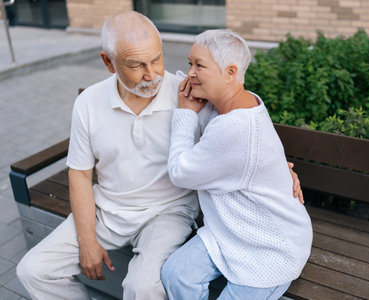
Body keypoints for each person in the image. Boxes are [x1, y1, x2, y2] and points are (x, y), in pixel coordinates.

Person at [16, 11, 302, 300]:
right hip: (109, 210)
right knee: (33, 271)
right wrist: (87, 239)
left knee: (142, 288)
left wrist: (279, 168)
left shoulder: (187, 94)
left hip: (168, 212)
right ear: (108, 62)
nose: (151, 74)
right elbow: (79, 173)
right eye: (136, 65)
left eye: (156, 59)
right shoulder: (88, 102)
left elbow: (240, 131)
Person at [161, 29, 313, 300]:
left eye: (199, 65)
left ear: (230, 73)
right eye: (190, 63)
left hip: (271, 247)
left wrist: (184, 114)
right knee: (176, 274)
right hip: (227, 230)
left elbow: (180, 172)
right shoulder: (235, 99)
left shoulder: (236, 126)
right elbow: (173, 82)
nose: (190, 73)